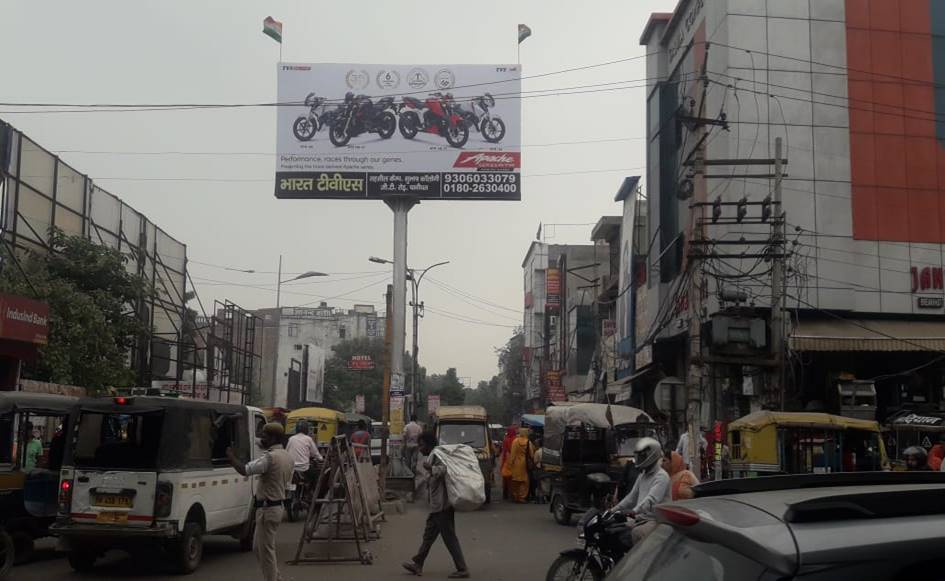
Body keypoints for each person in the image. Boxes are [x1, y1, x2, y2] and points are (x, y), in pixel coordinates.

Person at [226, 422, 293, 581]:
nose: (262, 438)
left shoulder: (270, 457)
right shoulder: (287, 456)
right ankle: (276, 578)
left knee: (266, 550)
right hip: (275, 507)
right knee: (259, 548)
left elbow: (245, 470)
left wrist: (231, 457)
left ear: (273, 438)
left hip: (268, 509)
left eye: (265, 436)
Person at [403, 432, 470, 579]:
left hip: (442, 505)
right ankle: (418, 564)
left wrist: (431, 469)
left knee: (449, 538)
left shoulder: (438, 455)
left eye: (421, 445)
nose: (420, 449)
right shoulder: (434, 454)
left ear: (428, 444)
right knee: (428, 536)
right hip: (437, 505)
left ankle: (462, 568)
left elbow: (444, 469)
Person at [614, 437, 671, 544]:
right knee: (614, 529)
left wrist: (634, 511)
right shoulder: (643, 475)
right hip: (641, 519)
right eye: (638, 456)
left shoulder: (661, 476)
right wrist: (613, 510)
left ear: (652, 456)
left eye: (642, 456)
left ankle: (637, 561)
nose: (639, 458)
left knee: (637, 533)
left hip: (656, 520)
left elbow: (651, 500)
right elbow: (631, 497)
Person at [503, 428, 534, 503]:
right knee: (524, 481)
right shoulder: (528, 442)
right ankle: (522, 497)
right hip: (524, 463)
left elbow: (512, 454)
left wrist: (511, 463)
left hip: (516, 463)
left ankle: (516, 496)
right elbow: (531, 454)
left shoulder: (515, 441)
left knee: (515, 480)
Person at [499, 427, 517, 500]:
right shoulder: (516, 440)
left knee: (505, 478)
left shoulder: (506, 440)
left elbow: (504, 451)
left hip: (507, 459)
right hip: (515, 460)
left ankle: (505, 495)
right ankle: (512, 495)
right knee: (512, 479)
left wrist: (502, 463)